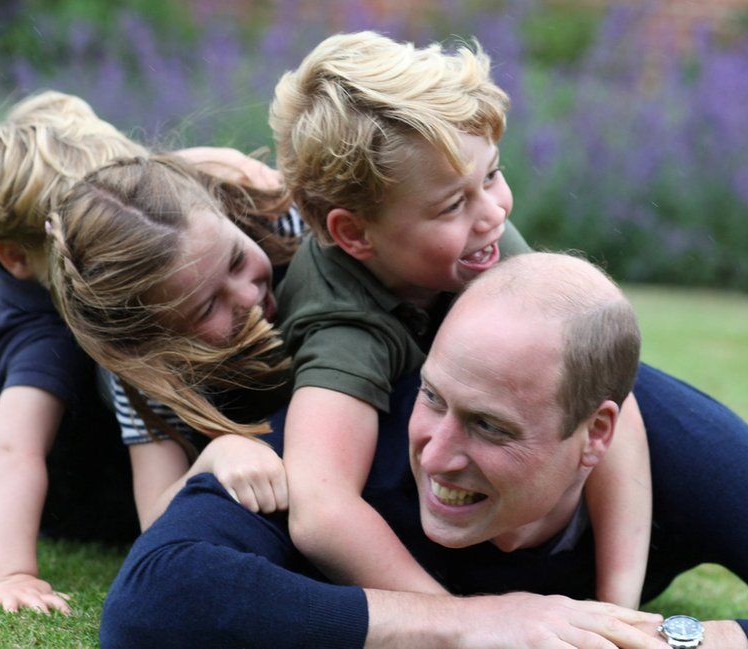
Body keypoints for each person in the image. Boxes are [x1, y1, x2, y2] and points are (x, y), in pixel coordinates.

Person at [97, 253, 748, 648]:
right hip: (89, 435)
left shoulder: (674, 441)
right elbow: (151, 602)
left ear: (597, 433)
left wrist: (669, 642)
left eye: (490, 427)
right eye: (436, 398)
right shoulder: (351, 437)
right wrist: (467, 625)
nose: (438, 453)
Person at [269, 30, 651, 606]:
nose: (493, 212)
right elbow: (321, 510)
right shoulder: (342, 320)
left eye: (493, 174)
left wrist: (618, 608)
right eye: (453, 205)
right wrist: (462, 625)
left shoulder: (477, 233)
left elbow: (611, 397)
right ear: (354, 233)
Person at [0, 90, 147, 615]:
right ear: (17, 257)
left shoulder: (33, 260)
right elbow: (14, 456)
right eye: (88, 234)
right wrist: (13, 573)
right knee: (19, 409)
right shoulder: (46, 338)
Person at [47, 154, 300, 529]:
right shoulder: (146, 371)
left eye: (235, 260)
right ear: (152, 340)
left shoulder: (287, 223)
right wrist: (217, 454)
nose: (248, 296)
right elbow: (154, 516)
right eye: (207, 306)